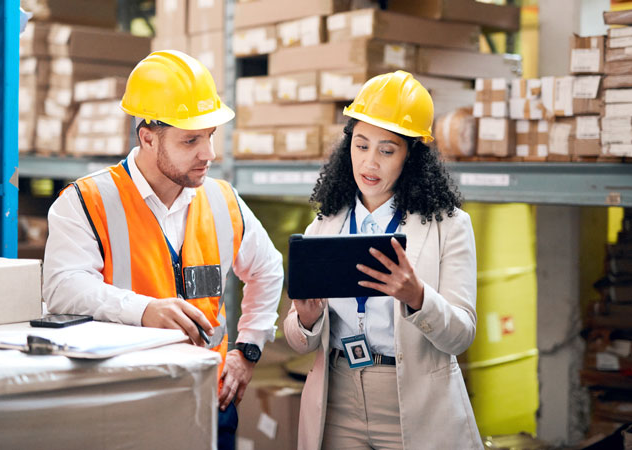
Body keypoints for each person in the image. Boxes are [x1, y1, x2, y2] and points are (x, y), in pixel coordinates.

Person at [42, 50, 284, 449]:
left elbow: (268, 269)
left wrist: (248, 350)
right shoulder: (86, 201)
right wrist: (144, 310)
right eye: (191, 140)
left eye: (209, 136)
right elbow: (63, 287)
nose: (208, 154)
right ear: (148, 137)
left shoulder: (224, 201)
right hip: (125, 403)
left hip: (209, 399)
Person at [284, 71, 482, 450]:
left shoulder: (450, 227)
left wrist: (418, 297)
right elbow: (297, 339)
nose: (369, 163)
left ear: (412, 156)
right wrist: (306, 320)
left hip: (414, 401)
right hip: (338, 399)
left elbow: (461, 335)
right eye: (361, 146)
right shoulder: (325, 226)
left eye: (386, 150)